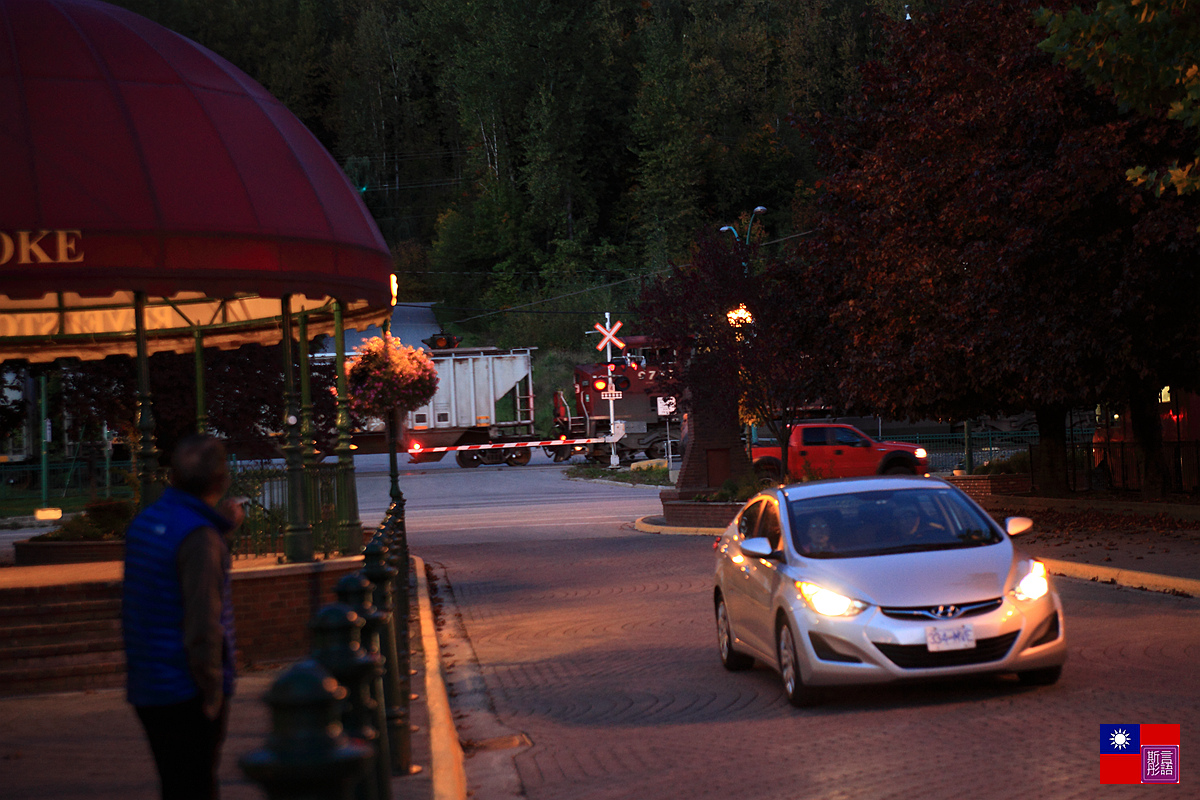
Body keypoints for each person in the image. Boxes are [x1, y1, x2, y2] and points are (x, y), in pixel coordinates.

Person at [122, 435, 246, 800]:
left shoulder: (147, 522)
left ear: (172, 477)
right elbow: (203, 621)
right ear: (221, 481)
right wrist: (211, 688)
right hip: (186, 686)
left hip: (148, 680)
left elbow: (171, 559)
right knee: (196, 784)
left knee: (175, 781)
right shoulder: (200, 538)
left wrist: (218, 526)